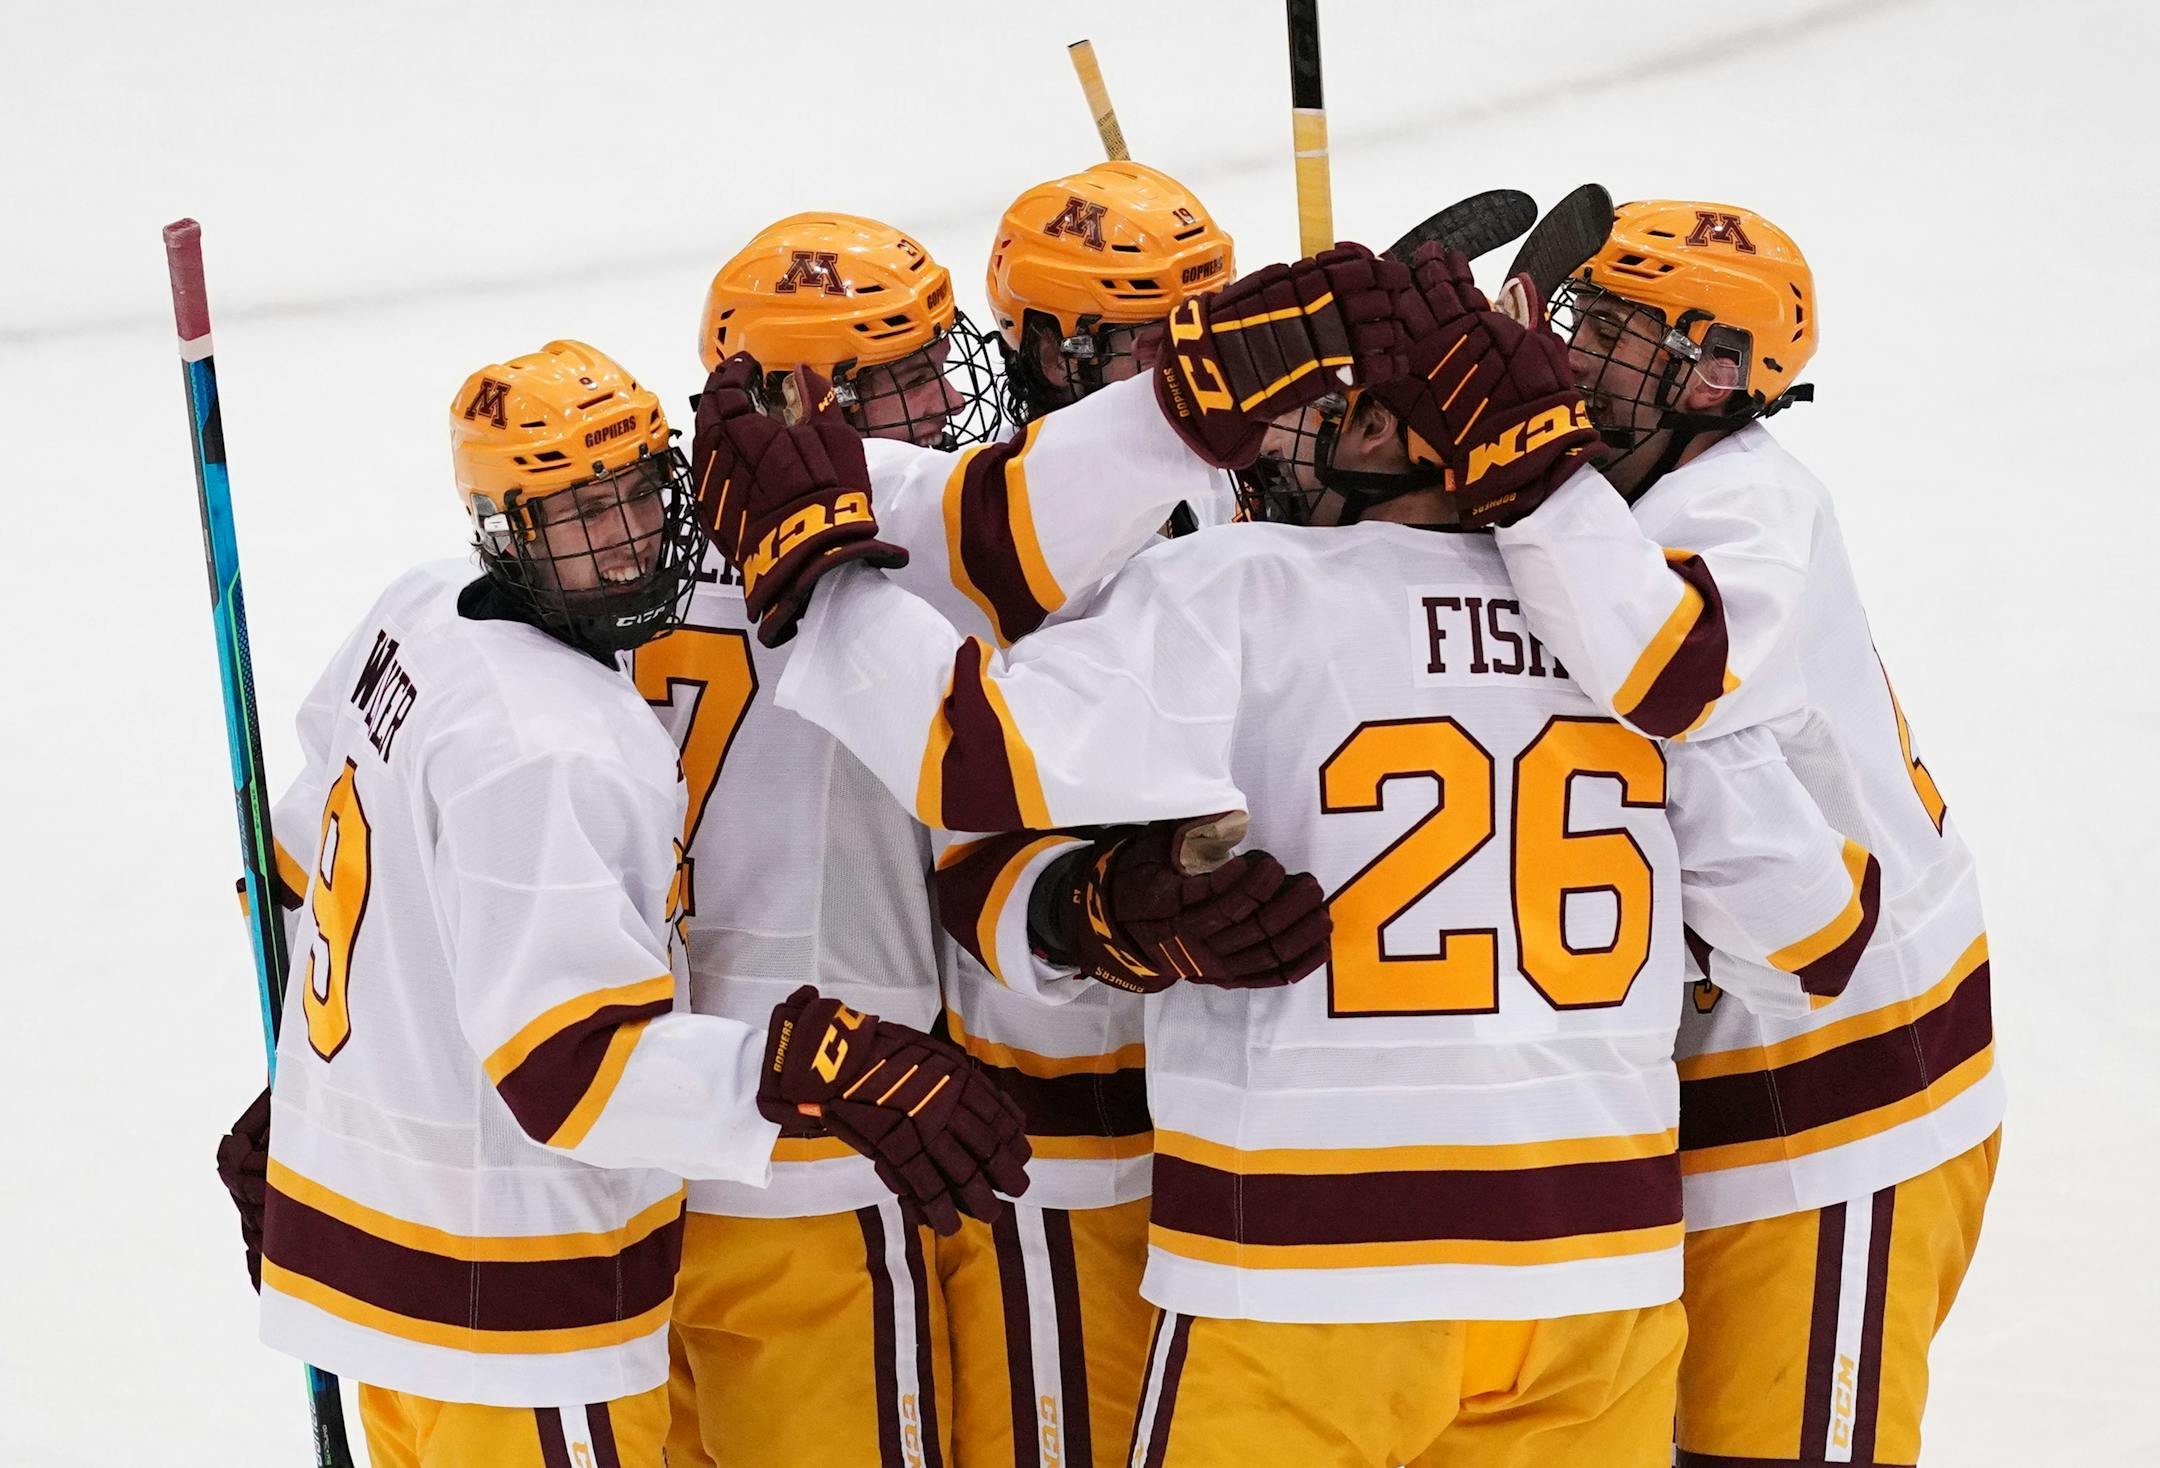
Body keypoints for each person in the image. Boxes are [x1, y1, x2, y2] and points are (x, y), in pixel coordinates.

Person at [719, 246, 1891, 1467]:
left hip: (1308, 1276)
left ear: (1398, 437)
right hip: (1597, 1284)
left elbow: (965, 759)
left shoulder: (1238, 590)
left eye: (1334, 408)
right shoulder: (1622, 648)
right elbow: (1820, 931)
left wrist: (822, 586)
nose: (1283, 437)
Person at [213, 340, 1027, 1468]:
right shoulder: (551, 745)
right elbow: (569, 1070)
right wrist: (803, 1066)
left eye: (642, 489)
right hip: (514, 1304)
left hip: (376, 1272)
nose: (629, 535)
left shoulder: (417, 614)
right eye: (581, 511)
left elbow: (312, 870)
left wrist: (311, 1109)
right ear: (507, 528)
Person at [657, 203, 1296, 1468]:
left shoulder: (604, 559)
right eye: (896, 375)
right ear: (807, 394)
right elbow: (982, 829)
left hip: (643, 1126)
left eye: (934, 356)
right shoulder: (920, 538)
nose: (943, 392)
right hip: (894, 1132)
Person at [1463, 201, 1999, 1468]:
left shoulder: (1752, 509)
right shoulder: (1622, 484)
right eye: (1586, 319)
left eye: (1622, 335)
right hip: (1713, 1063)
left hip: (1849, 1092)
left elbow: (1657, 670)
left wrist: (1509, 463)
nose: (1580, 356)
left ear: (1717, 374)